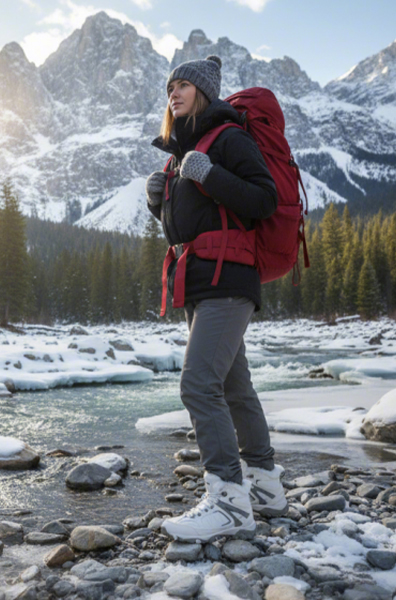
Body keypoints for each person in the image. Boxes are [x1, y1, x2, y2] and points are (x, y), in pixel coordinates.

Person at [145, 55, 287, 542]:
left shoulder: (228, 138)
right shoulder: (180, 153)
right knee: (233, 387)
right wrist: (159, 202)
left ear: (204, 93)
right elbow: (192, 225)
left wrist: (209, 174)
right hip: (200, 282)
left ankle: (228, 502)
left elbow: (263, 200)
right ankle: (265, 487)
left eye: (183, 85)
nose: (174, 93)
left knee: (198, 384)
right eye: (170, 87)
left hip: (229, 281)